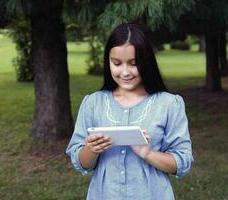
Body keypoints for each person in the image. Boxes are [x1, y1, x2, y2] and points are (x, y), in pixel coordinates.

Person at [66, 23, 193, 200]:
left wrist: (148, 153)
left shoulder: (169, 104)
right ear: (107, 61)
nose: (125, 72)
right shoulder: (92, 103)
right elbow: (81, 163)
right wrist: (91, 150)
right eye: (116, 63)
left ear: (147, 61)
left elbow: (182, 162)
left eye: (134, 64)